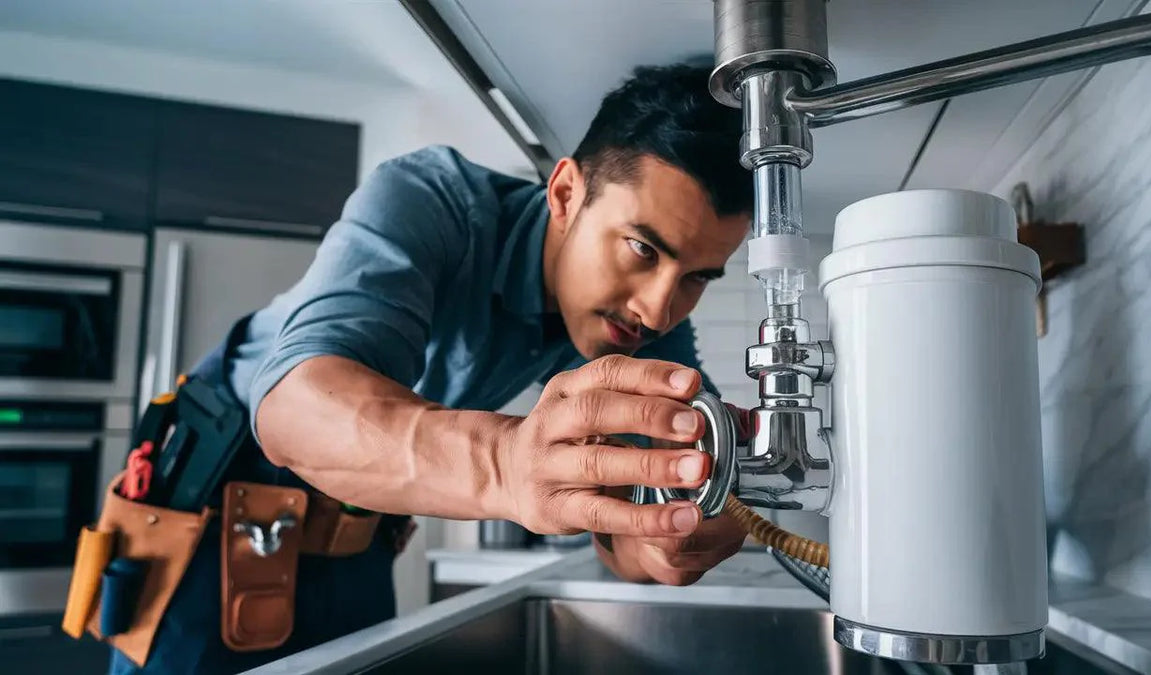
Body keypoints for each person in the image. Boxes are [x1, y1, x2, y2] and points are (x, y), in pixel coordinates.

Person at [110, 63, 753, 674]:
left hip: (360, 538)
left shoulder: (645, 328)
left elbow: (628, 533)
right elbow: (293, 411)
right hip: (216, 513)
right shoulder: (432, 199)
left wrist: (659, 544)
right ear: (564, 193)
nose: (659, 308)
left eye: (697, 276)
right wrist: (506, 464)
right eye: (643, 249)